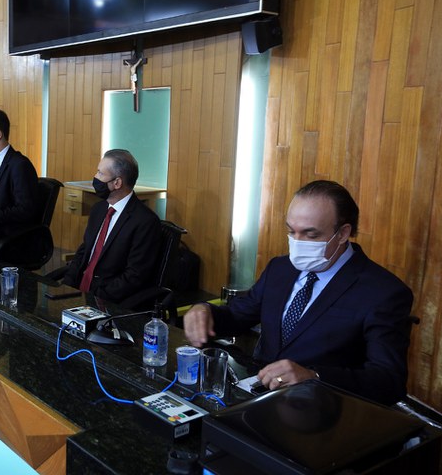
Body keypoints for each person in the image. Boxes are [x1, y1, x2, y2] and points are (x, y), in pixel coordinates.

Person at [183, 180, 413, 405]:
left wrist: (315, 377)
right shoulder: (280, 268)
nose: (298, 243)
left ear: (343, 233)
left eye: (311, 235)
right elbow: (238, 316)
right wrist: (204, 311)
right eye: (292, 232)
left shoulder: (383, 292)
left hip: (325, 410)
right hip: (260, 398)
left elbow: (389, 381)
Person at [63, 149, 161, 303]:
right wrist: (66, 285)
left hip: (107, 299)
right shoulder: (98, 209)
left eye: (100, 173)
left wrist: (95, 297)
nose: (95, 178)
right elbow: (84, 252)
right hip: (79, 291)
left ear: (117, 183)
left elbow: (134, 276)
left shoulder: (145, 221)